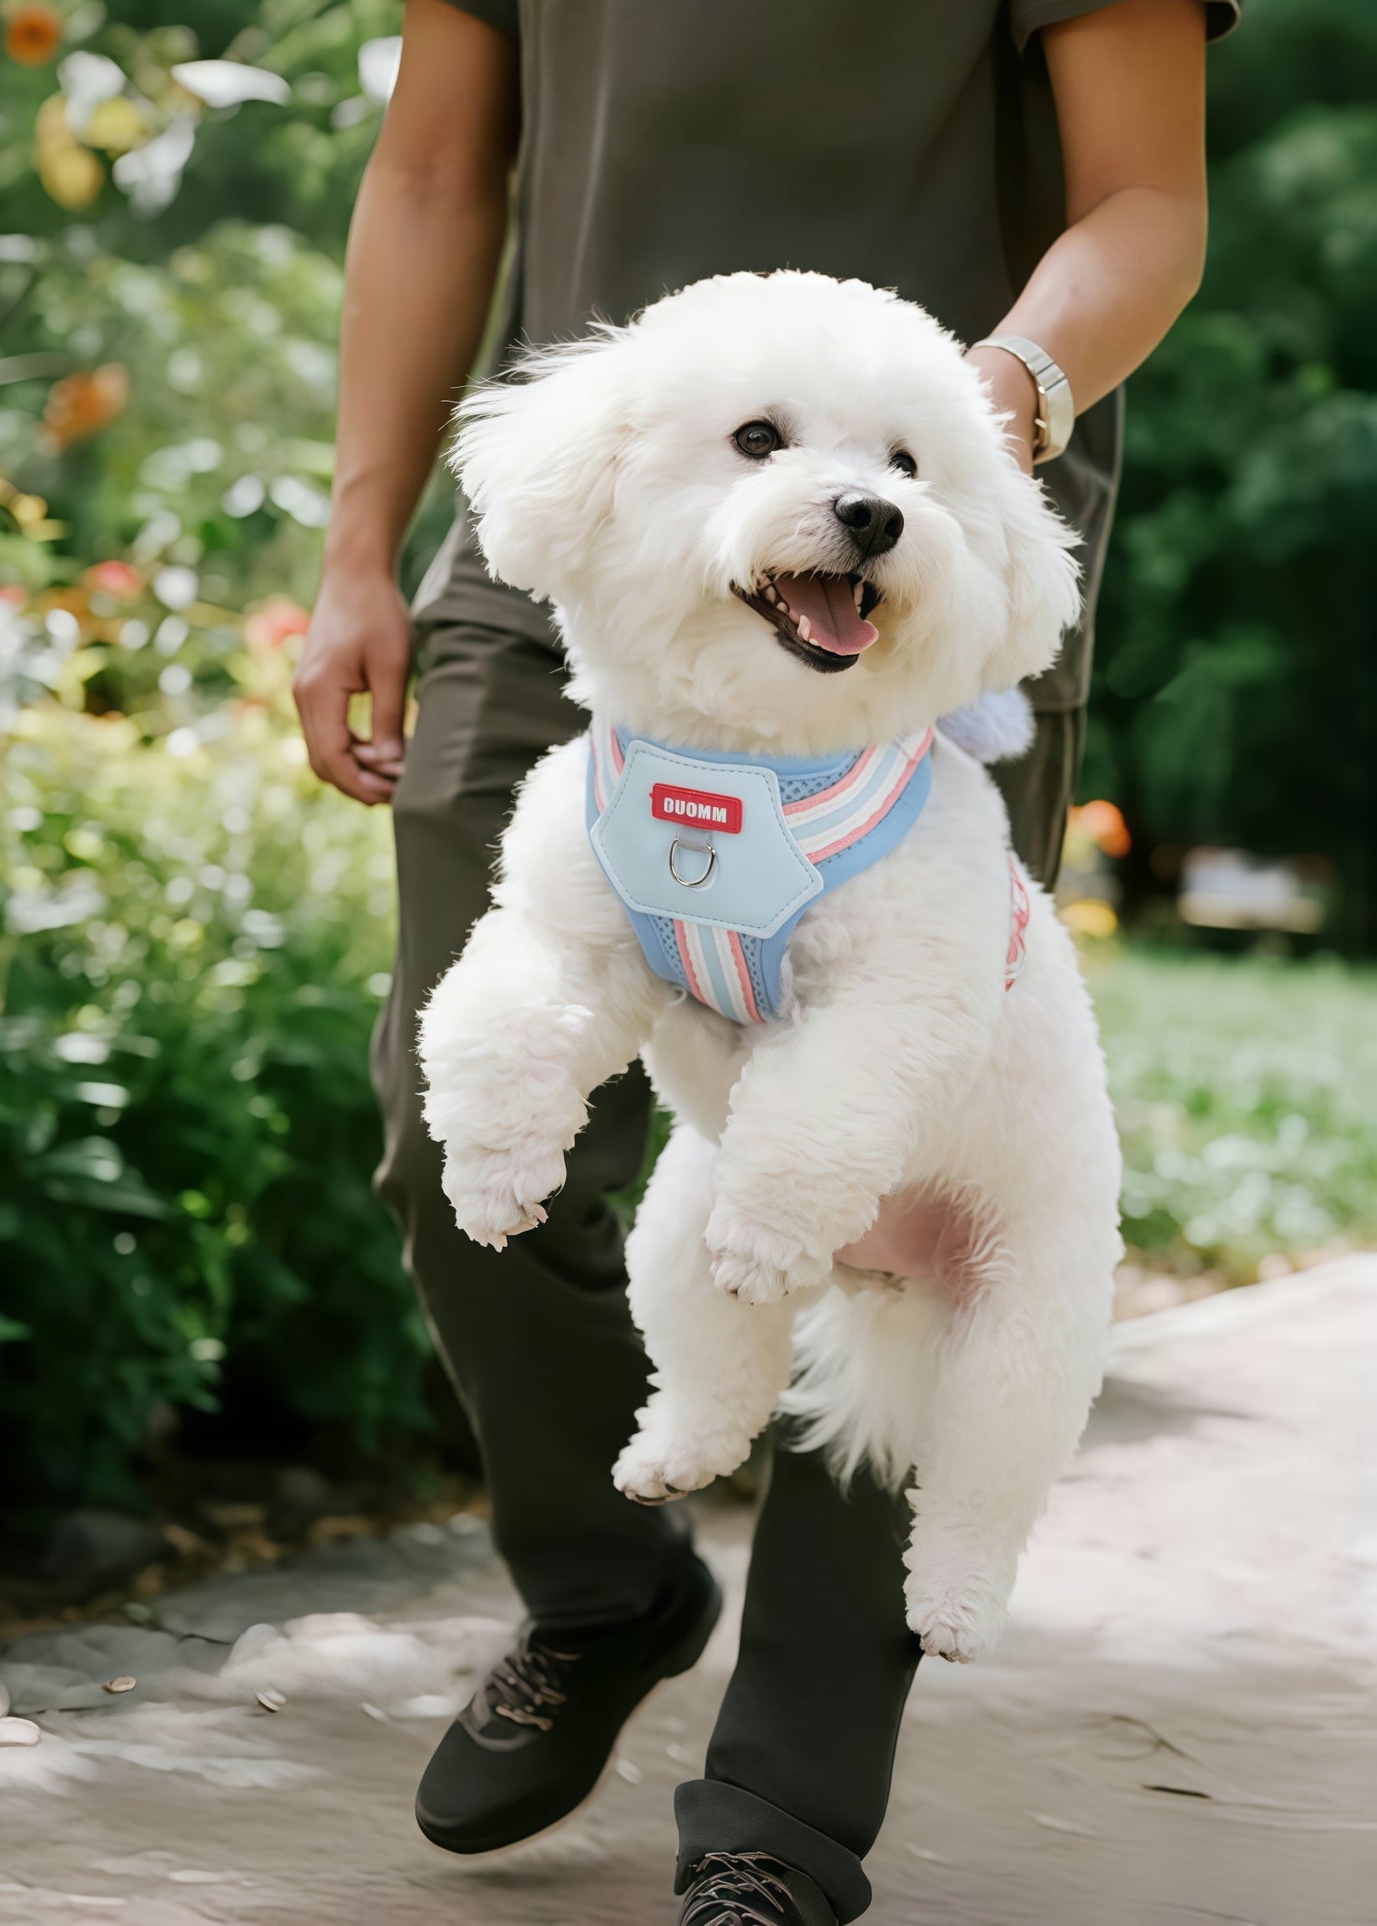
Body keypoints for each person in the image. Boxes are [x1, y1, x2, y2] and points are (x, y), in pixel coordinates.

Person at [293, 3, 1235, 1919]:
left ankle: (782, 1814)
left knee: (884, 1185)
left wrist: (990, 413)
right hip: (575, 538)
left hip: (909, 556)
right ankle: (602, 1581)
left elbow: (1143, 198)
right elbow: (433, 167)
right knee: (449, 1108)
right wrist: (359, 541)